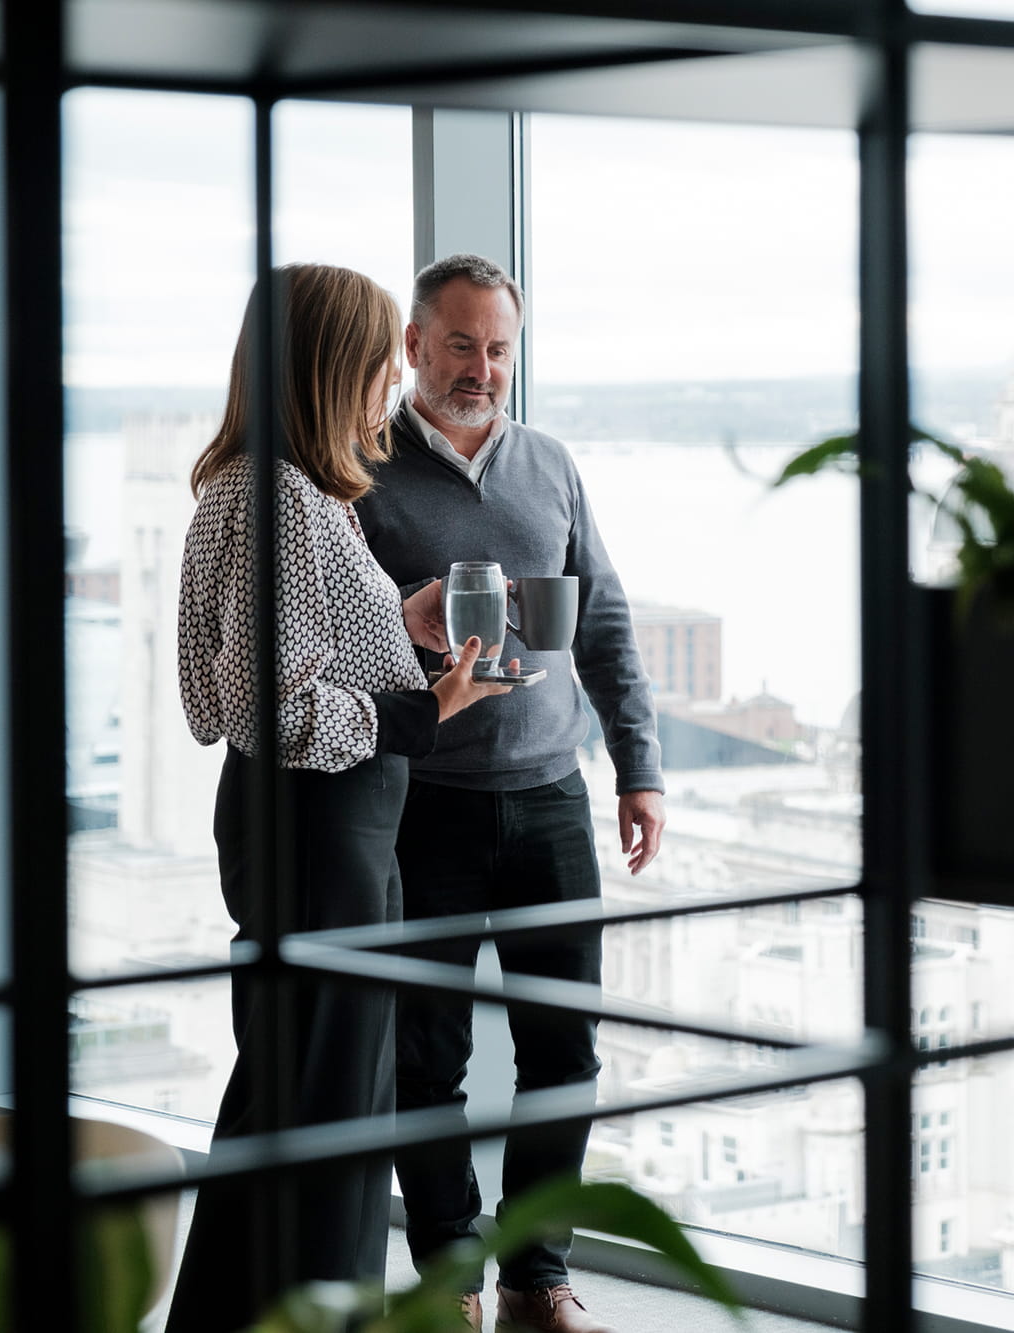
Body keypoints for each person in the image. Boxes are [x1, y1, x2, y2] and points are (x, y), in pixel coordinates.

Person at [164, 262, 511, 1333]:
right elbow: (266, 708)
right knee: (330, 1116)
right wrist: (427, 709)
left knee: (289, 1098)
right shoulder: (282, 501)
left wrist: (390, 629)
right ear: (329, 368)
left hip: (302, 828)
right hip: (323, 827)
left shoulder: (254, 489)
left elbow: (210, 684)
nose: (386, 386)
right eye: (375, 362)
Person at [356, 253, 667, 1333]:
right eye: (459, 345)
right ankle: (451, 1281)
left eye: (497, 349)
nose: (481, 368)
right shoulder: (363, 468)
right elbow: (337, 637)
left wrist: (639, 767)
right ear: (411, 347)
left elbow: (608, 625)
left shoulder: (549, 464)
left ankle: (538, 1278)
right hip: (422, 803)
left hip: (548, 800)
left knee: (562, 1050)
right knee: (425, 1056)